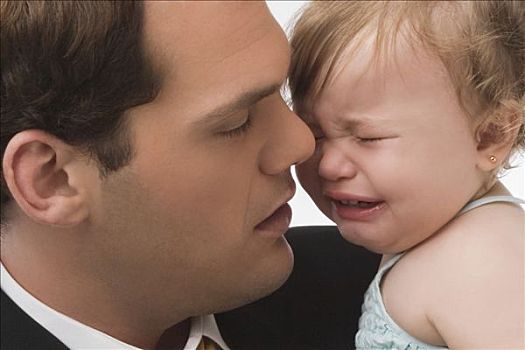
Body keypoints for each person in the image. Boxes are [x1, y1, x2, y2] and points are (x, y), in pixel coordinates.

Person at [1, 1, 381, 349]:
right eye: (237, 123)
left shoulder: (384, 292)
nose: (301, 143)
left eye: (282, 92)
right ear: (52, 180)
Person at [288, 0, 524, 349]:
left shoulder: (483, 259)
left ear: (488, 136)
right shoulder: (438, 237)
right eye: (315, 133)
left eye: (368, 138)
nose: (329, 165)